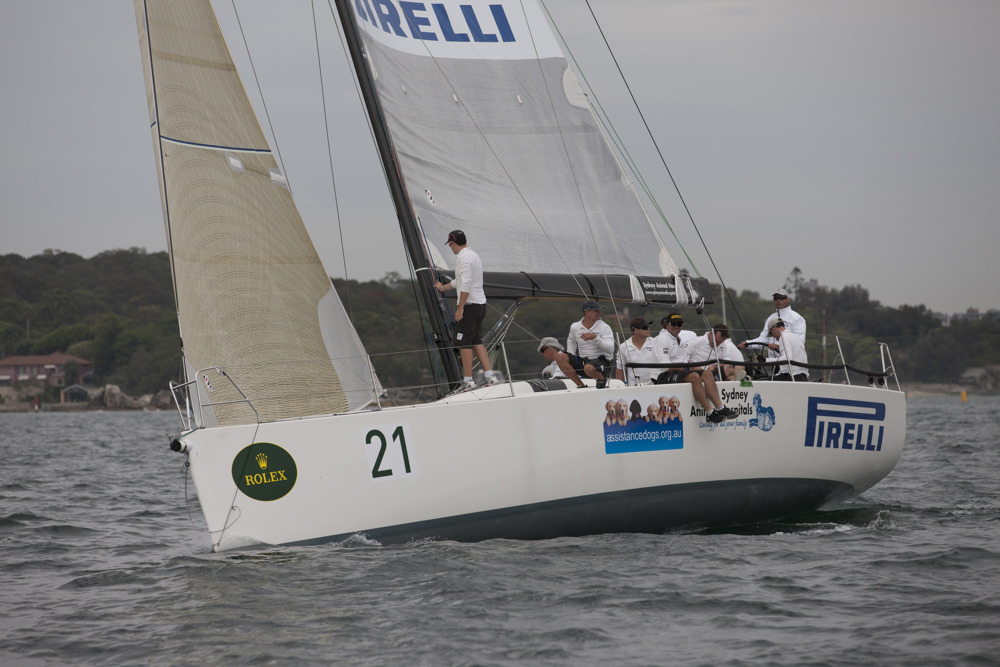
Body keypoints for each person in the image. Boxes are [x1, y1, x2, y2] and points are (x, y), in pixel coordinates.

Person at [434, 230, 497, 390]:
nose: (450, 247)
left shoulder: (463, 258)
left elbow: (466, 283)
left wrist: (460, 308)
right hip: (480, 305)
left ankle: (468, 381)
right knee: (476, 340)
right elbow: (459, 281)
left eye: (449, 244)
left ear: (452, 243)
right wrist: (443, 288)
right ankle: (490, 376)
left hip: (469, 306)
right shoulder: (473, 255)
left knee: (463, 342)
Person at [653, 316, 737, 424]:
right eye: (674, 324)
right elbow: (664, 365)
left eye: (679, 324)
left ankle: (720, 407)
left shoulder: (680, 339)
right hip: (663, 374)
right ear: (667, 325)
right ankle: (709, 413)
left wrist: (686, 367)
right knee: (694, 376)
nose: (677, 327)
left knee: (707, 374)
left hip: (681, 370)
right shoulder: (662, 338)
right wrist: (685, 368)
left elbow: (685, 359)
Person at [739, 288, 806, 360]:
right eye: (776, 298)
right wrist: (747, 343)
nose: (778, 300)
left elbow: (799, 344)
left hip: (791, 364)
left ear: (787, 299)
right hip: (774, 363)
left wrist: (778, 347)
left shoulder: (797, 318)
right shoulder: (771, 318)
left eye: (781, 298)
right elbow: (763, 339)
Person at [564, 300, 615, 388]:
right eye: (596, 310)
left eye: (599, 310)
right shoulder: (575, 327)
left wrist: (595, 338)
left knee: (589, 367)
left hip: (603, 362)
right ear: (587, 312)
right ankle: (580, 385)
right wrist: (571, 356)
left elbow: (611, 350)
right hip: (584, 362)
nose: (599, 312)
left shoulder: (605, 327)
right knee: (560, 357)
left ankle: (601, 379)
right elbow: (571, 341)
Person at [615, 317, 659, 385]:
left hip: (654, 387)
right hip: (633, 389)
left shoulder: (656, 343)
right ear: (636, 330)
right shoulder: (623, 347)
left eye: (648, 327)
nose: (648, 329)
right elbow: (620, 369)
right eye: (645, 327)